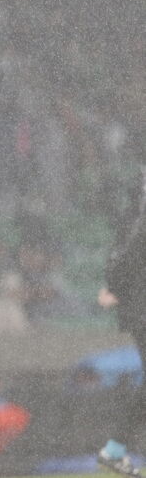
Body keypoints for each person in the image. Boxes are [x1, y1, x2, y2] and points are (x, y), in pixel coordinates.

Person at [97, 167, 146, 476]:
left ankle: (114, 450)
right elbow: (129, 252)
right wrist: (113, 285)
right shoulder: (137, 220)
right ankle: (113, 450)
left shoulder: (134, 215)